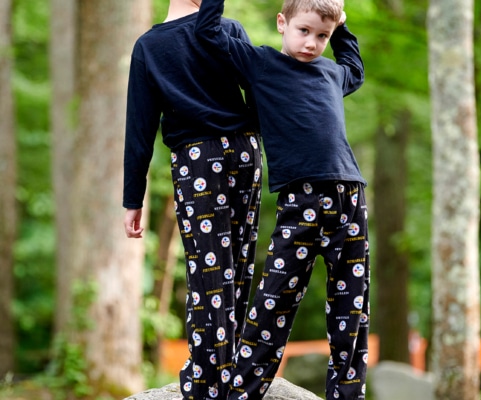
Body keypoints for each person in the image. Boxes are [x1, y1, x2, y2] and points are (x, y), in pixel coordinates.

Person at [195, 0, 369, 399]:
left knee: (352, 308)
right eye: (303, 31)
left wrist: (341, 27)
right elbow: (208, 33)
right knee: (274, 299)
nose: (311, 43)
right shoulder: (262, 64)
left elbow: (355, 70)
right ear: (282, 23)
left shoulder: (331, 72)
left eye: (321, 36)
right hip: (300, 199)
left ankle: (347, 394)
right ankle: (242, 393)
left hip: (349, 198)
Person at [122, 1, 263, 399]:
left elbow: (140, 127)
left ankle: (207, 380)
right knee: (238, 262)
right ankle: (231, 370)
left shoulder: (149, 46)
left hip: (197, 160)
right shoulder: (229, 29)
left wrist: (133, 198)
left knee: (208, 270)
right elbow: (258, 92)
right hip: (244, 151)